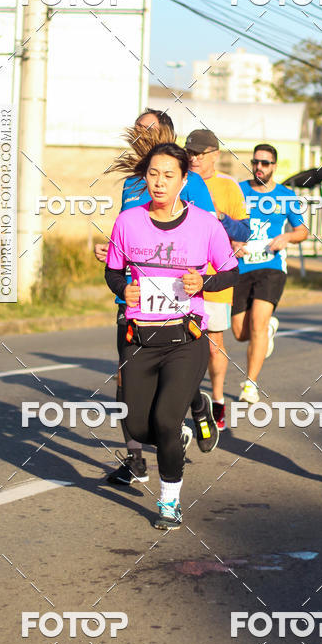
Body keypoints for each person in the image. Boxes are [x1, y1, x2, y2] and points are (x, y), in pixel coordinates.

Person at [105, 142, 239, 529]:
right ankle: (197, 405)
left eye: (168, 175)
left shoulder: (205, 225)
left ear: (184, 180)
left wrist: (205, 280)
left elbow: (231, 270)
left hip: (185, 338)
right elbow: (114, 271)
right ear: (144, 177)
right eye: (153, 174)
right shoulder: (128, 221)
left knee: (165, 422)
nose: (159, 183)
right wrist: (121, 289)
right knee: (139, 425)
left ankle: (169, 501)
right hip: (139, 338)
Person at [94, 110, 216, 486]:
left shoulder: (186, 180)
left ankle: (195, 406)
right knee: (125, 382)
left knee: (171, 377)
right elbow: (127, 234)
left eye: (148, 128)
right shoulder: (133, 184)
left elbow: (205, 233)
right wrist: (113, 253)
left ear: (166, 132)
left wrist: (197, 276)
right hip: (134, 302)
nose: (139, 133)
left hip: (181, 304)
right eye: (137, 127)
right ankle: (135, 459)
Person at [231, 144, 309, 404]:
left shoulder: (286, 196)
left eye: (265, 163)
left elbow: (302, 231)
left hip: (271, 267)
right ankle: (269, 330)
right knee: (240, 332)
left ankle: (250, 385)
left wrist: (287, 236)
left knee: (257, 324)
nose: (260, 167)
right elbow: (221, 224)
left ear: (274, 166)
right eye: (256, 162)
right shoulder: (238, 191)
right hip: (241, 267)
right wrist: (232, 243)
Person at [185, 128, 250, 430]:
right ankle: (187, 397)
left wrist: (222, 219)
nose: (194, 158)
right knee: (183, 341)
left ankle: (218, 398)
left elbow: (244, 232)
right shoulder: (177, 179)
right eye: (191, 152)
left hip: (216, 274)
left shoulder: (228, 185)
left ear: (216, 155)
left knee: (213, 343)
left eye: (200, 153)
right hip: (183, 276)